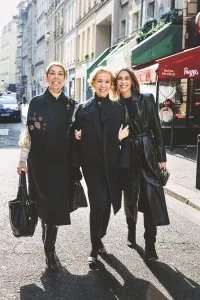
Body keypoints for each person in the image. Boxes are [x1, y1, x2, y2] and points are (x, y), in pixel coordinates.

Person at [17, 62, 76, 271]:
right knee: (43, 203)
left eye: (60, 74)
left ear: (64, 78)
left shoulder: (71, 104)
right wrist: (22, 159)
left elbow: (75, 133)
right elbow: (28, 133)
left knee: (57, 206)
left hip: (62, 163)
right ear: (46, 77)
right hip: (39, 162)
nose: (56, 77)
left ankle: (49, 248)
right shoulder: (36, 101)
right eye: (52, 73)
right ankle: (47, 234)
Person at [73, 67, 129, 267]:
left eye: (107, 82)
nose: (103, 85)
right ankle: (94, 247)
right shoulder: (82, 109)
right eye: (99, 81)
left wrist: (121, 138)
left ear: (111, 85)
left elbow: (126, 136)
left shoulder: (119, 109)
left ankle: (100, 235)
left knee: (107, 204)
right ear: (93, 84)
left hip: (112, 166)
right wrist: (75, 136)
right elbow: (73, 133)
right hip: (92, 166)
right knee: (98, 202)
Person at [114, 67, 170, 262]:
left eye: (126, 78)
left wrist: (161, 157)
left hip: (147, 153)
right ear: (116, 83)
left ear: (132, 80)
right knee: (130, 197)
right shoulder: (116, 105)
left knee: (150, 199)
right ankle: (131, 230)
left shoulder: (146, 98)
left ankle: (150, 245)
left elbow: (156, 128)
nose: (123, 82)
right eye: (119, 79)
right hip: (128, 155)